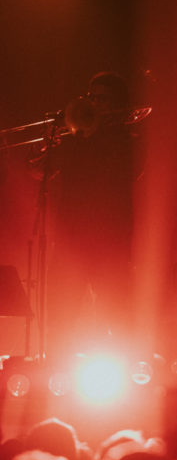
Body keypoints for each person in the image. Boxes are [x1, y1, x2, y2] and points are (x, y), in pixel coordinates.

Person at [44, 72, 142, 361]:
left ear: (118, 104)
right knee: (60, 317)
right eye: (91, 98)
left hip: (110, 243)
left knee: (117, 316)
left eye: (102, 99)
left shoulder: (130, 141)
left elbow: (122, 174)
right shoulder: (75, 140)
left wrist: (93, 135)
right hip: (70, 241)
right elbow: (41, 171)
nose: (94, 104)